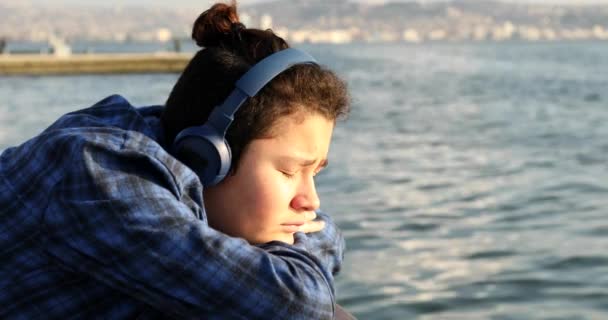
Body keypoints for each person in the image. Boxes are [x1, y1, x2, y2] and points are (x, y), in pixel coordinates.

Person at [0, 1, 355, 319]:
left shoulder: (166, 139)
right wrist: (302, 261)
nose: (310, 201)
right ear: (207, 157)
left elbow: (324, 232)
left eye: (314, 173)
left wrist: (300, 256)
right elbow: (295, 306)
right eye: (288, 170)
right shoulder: (102, 178)